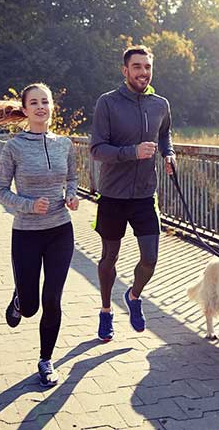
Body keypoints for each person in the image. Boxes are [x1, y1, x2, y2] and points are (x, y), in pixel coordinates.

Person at [0, 83, 79, 387]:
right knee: (31, 306)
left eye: (45, 102)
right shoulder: (14, 147)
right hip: (26, 234)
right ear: (24, 110)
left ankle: (46, 360)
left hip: (60, 231)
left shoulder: (65, 144)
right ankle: (19, 301)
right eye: (34, 103)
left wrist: (72, 196)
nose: (40, 107)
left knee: (52, 300)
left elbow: (73, 178)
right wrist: (28, 205)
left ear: (51, 107)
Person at [89, 45, 175, 342]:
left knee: (150, 259)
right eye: (137, 67)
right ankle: (105, 311)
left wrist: (169, 154)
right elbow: (97, 149)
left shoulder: (160, 103)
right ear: (125, 70)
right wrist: (133, 152)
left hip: (144, 195)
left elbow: (164, 135)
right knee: (109, 258)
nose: (143, 72)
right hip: (113, 195)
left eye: (147, 67)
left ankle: (134, 295)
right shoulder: (108, 103)